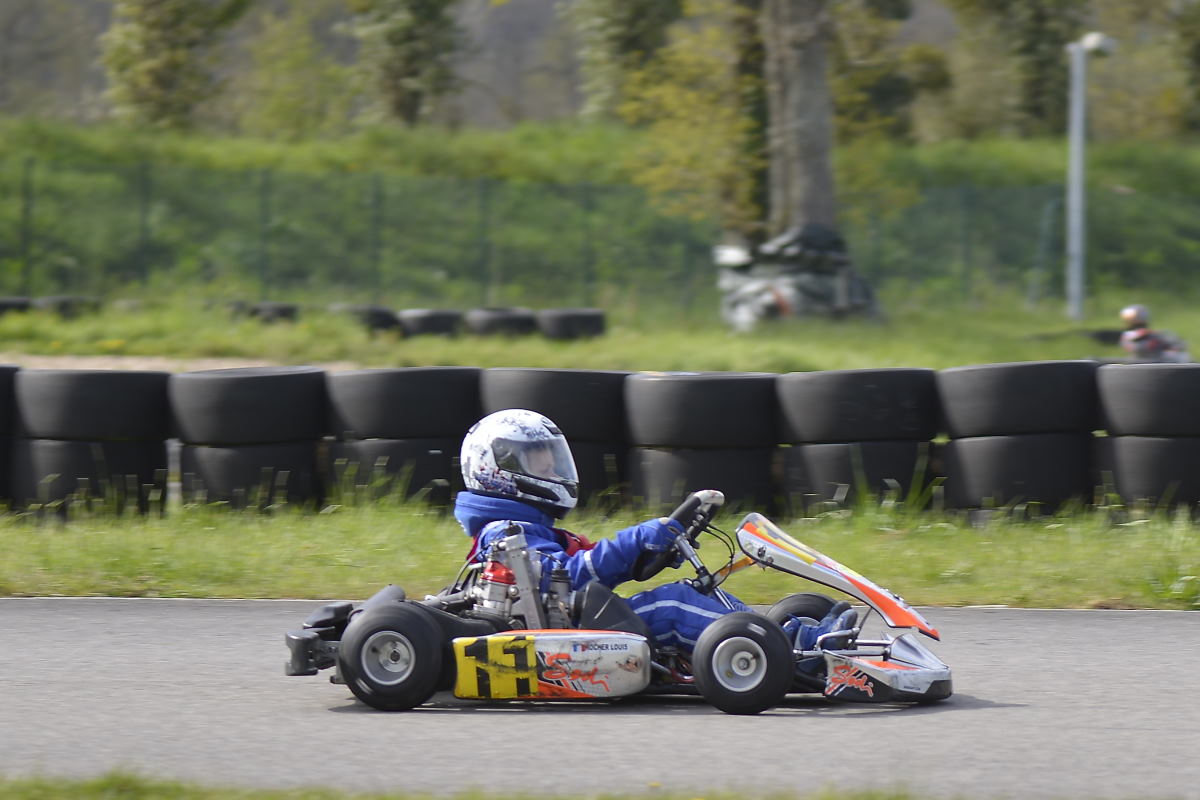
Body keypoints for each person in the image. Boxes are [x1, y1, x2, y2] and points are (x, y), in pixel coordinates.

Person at [452, 408, 857, 656]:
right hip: (565, 638)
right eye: (542, 468)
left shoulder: (531, 529)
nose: (553, 474)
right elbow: (570, 578)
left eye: (551, 465)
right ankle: (798, 646)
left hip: (579, 623)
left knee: (693, 594)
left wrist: (655, 551)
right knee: (674, 606)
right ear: (500, 472)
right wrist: (636, 540)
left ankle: (788, 635)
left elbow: (587, 573)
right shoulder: (505, 533)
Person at [1119, 304, 1191, 363]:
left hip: (1158, 358)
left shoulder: (1156, 335)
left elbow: (1179, 345)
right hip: (1143, 359)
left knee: (1180, 356)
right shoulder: (1129, 336)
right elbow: (1134, 347)